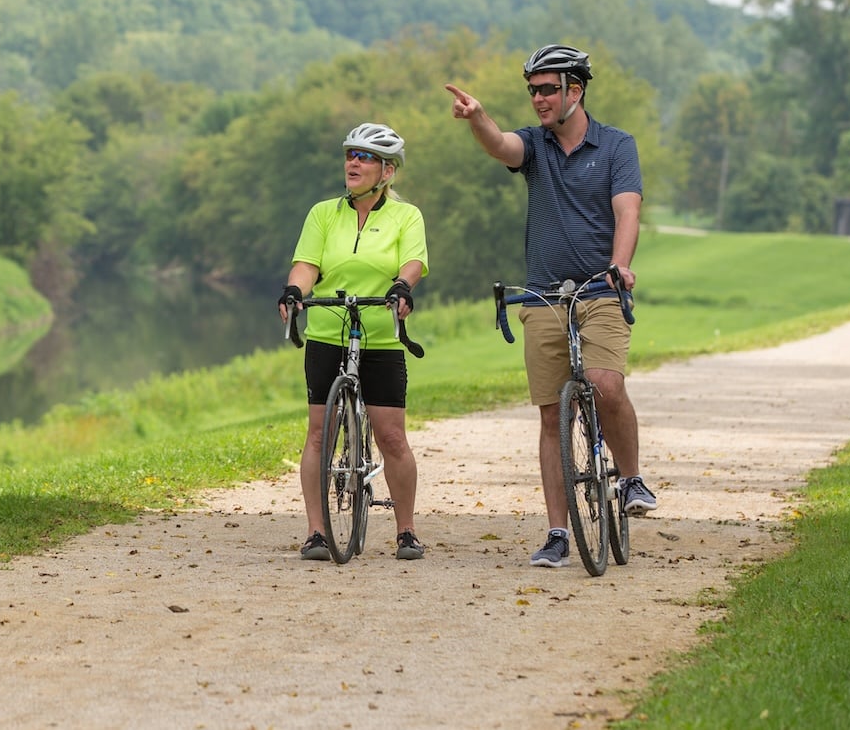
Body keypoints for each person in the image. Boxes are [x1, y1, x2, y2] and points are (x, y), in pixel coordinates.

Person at [445, 45, 656, 569]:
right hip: (543, 293)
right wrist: (479, 119)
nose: (538, 99)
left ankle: (630, 478)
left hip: (601, 288)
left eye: (547, 89)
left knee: (606, 385)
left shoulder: (616, 146)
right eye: (532, 90)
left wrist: (620, 265)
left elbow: (627, 210)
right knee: (549, 415)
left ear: (575, 90)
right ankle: (559, 532)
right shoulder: (535, 146)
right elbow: (500, 145)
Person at [277, 123, 429, 561]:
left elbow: (413, 261)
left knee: (392, 437)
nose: (353, 163)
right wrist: (294, 292)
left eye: (364, 157)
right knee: (319, 432)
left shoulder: (406, 216)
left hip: (381, 335)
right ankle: (317, 532)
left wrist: (402, 286)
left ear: (387, 171)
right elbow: (306, 265)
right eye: (350, 155)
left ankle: (406, 530)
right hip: (327, 331)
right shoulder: (324, 213)